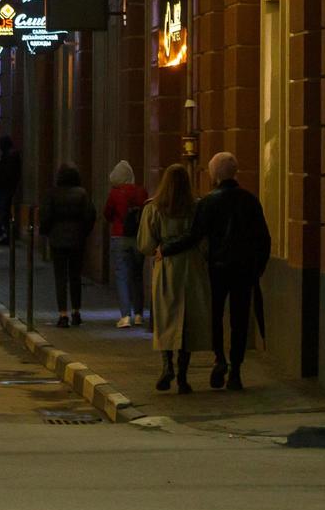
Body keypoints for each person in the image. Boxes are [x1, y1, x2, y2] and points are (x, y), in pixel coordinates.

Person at [160, 151, 272, 391]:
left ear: (214, 175)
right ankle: (236, 371)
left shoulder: (209, 202)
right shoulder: (250, 200)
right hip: (244, 270)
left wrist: (167, 248)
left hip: (216, 270)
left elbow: (195, 235)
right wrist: (257, 269)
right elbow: (264, 238)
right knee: (240, 321)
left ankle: (219, 358)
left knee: (215, 318)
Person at [135, 164, 211, 393]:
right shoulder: (196, 207)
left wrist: (160, 247)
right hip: (192, 268)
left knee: (166, 317)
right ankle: (183, 376)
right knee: (187, 319)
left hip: (166, 268)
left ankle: (167, 366)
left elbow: (146, 245)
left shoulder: (154, 208)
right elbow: (204, 240)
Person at [39, 164, 96, 328]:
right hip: (77, 240)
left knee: (60, 278)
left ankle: (62, 315)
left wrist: (47, 232)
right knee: (75, 276)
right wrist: (83, 232)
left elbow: (46, 216)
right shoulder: (82, 193)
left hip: (57, 240)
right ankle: (76, 312)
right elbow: (90, 215)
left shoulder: (52, 193)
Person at [102, 160, 150, 328]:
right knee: (137, 275)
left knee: (122, 276)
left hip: (119, 236)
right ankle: (138, 314)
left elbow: (107, 213)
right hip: (138, 237)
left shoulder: (115, 194)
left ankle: (125, 316)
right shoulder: (141, 192)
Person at [0, 136, 22, 243]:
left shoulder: (9, 156)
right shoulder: (11, 155)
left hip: (5, 188)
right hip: (8, 188)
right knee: (4, 212)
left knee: (1, 211)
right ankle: (6, 234)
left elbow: (5, 173)